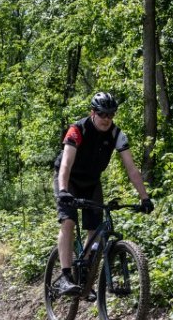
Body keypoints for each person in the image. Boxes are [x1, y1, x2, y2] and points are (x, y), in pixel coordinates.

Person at [52, 92, 153, 297]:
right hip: (69, 179)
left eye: (111, 114)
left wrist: (145, 197)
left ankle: (84, 278)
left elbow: (132, 170)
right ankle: (65, 277)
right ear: (93, 113)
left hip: (91, 182)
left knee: (95, 230)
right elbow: (65, 165)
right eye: (102, 114)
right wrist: (63, 190)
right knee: (68, 221)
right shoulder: (77, 130)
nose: (107, 119)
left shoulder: (117, 134)